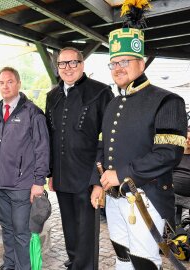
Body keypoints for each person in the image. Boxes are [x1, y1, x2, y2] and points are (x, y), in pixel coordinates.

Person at [89, 3, 187, 268]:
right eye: (113, 63)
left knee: (144, 262)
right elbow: (102, 146)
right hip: (114, 198)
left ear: (141, 63)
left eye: (124, 62)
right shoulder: (112, 103)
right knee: (122, 258)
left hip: (147, 198)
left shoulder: (167, 100)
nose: (117, 68)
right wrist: (98, 182)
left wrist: (122, 173)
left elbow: (168, 154)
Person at [45, 47, 113, 270]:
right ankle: (74, 260)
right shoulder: (52, 96)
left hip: (87, 176)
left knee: (86, 231)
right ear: (58, 68)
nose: (68, 68)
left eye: (73, 63)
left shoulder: (101, 92)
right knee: (69, 227)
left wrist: (98, 181)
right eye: (63, 64)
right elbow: (51, 137)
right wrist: (51, 174)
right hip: (63, 176)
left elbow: (108, 139)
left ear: (82, 65)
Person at [0, 67, 49, 270]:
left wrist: (39, 182)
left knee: (22, 232)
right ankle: (9, 264)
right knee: (7, 228)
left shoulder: (32, 113)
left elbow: (42, 149)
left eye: (10, 81)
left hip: (22, 185)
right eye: (2, 82)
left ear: (19, 84)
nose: (5, 86)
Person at [173, 128, 190, 226]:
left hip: (188, 199)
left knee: (185, 222)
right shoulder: (175, 155)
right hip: (172, 195)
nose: (188, 141)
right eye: (186, 138)